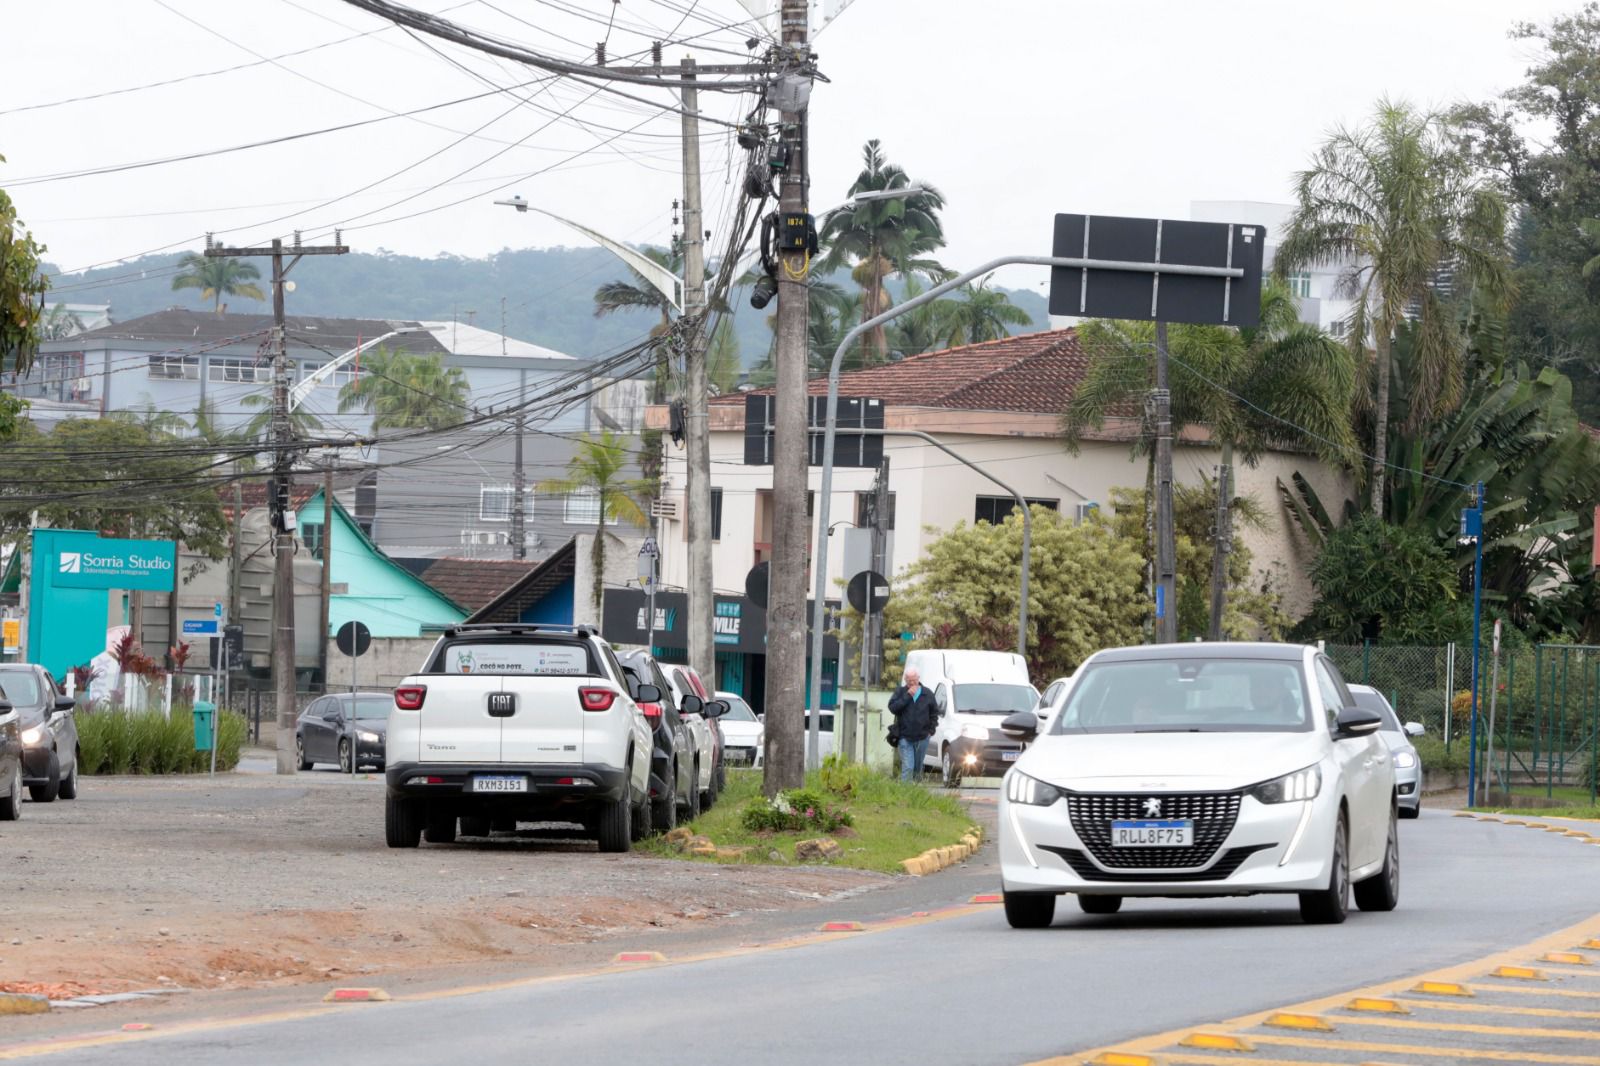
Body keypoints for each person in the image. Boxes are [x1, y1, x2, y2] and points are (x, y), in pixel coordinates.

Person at [887, 667, 939, 783]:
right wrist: (907, 696)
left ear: (918, 679)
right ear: (905, 680)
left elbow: (934, 713)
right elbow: (892, 708)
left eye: (914, 680)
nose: (912, 683)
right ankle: (905, 795)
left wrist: (931, 731)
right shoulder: (900, 692)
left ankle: (915, 792)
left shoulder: (927, 693)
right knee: (908, 767)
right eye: (909, 681)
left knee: (917, 768)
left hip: (922, 737)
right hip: (905, 737)